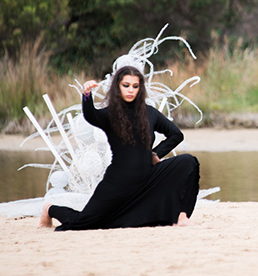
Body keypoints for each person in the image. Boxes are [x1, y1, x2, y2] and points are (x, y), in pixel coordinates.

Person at [39, 65, 200, 230]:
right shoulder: (110, 114)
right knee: (83, 223)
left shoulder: (149, 113)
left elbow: (176, 134)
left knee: (188, 162)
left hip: (147, 178)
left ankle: (182, 216)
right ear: (118, 87)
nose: (130, 90)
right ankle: (50, 209)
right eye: (126, 85)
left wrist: (155, 153)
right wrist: (87, 94)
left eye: (135, 86)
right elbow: (91, 116)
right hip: (118, 183)